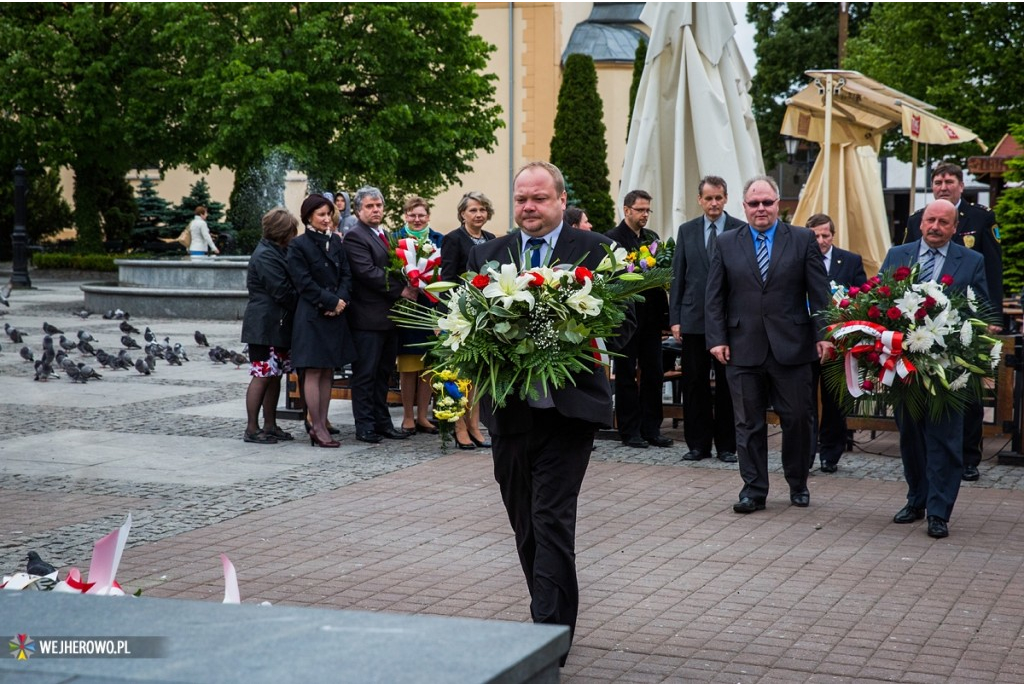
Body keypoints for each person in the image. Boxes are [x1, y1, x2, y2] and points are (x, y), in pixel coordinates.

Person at [467, 161, 635, 663]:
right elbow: (470, 331)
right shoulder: (487, 254)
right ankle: (553, 620)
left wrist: (577, 323)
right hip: (511, 414)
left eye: (538, 199)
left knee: (551, 520)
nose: (528, 208)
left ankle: (545, 638)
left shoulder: (596, 251)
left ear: (561, 201)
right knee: (526, 526)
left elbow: (624, 326)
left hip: (568, 415)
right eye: (521, 199)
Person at [705, 175, 832, 513]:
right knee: (747, 423)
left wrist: (824, 335)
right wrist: (716, 338)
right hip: (741, 347)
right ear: (744, 207)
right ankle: (753, 489)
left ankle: (798, 483)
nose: (761, 209)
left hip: (792, 347)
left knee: (797, 420)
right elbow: (714, 296)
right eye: (754, 203)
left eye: (767, 202)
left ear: (779, 204)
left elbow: (820, 294)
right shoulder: (727, 242)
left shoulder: (803, 239)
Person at [880, 199, 991, 538]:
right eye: (930, 220)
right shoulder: (897, 256)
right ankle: (917, 499)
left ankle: (939, 511)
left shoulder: (972, 261)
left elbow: (980, 311)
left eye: (944, 222)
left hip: (948, 370)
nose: (935, 227)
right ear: (920, 222)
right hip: (906, 366)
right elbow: (881, 304)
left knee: (944, 439)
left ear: (954, 227)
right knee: (911, 437)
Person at [904, 161, 1003, 482]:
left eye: (949, 181)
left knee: (967, 395)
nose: (943, 186)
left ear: (961, 185)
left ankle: (969, 457)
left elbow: (993, 270)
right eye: (937, 181)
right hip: (921, 329)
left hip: (964, 324)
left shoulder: (980, 217)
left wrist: (992, 318)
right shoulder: (917, 219)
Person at [669, 175, 744, 463]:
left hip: (729, 322)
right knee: (694, 383)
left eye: (719, 197)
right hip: (693, 319)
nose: (714, 203)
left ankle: (727, 445)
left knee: (728, 385)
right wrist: (675, 317)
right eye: (708, 198)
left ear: (726, 198)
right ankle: (698, 445)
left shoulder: (739, 229)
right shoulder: (686, 231)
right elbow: (678, 276)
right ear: (700, 200)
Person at [344, 186, 415, 444]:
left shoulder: (383, 234)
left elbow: (393, 266)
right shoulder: (355, 236)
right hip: (367, 319)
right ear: (359, 210)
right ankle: (364, 425)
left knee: (384, 373)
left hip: (388, 318)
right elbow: (367, 272)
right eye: (370, 206)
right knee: (365, 374)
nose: (376, 210)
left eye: (379, 206)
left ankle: (382, 422)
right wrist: (402, 289)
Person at [285, 194, 356, 448]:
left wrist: (341, 301)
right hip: (312, 316)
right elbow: (302, 282)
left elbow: (347, 275)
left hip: (335, 315)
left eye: (329, 214)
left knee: (328, 371)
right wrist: (329, 301)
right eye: (321, 215)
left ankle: (323, 422)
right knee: (313, 371)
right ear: (308, 218)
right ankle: (315, 426)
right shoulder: (299, 245)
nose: (327, 219)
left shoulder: (336, 242)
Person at [606, 190, 672, 449]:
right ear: (627, 210)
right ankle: (629, 430)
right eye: (640, 210)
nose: (645, 214)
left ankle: (651, 428)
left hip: (652, 318)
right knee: (625, 375)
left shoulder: (652, 238)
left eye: (648, 210)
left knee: (654, 373)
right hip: (626, 318)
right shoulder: (612, 239)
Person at [807, 213, 867, 473]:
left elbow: (863, 295)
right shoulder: (799, 258)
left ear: (833, 235)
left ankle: (831, 453)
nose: (821, 240)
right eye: (816, 235)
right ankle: (806, 453)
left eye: (825, 235)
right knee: (805, 401)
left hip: (838, 341)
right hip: (806, 340)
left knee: (835, 399)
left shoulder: (850, 260)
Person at [440, 191, 497, 449]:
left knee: (477, 372)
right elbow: (447, 277)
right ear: (462, 213)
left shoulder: (491, 239)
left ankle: (474, 423)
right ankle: (458, 425)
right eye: (473, 210)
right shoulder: (453, 239)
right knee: (457, 372)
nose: (478, 214)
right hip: (460, 312)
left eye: (483, 210)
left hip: (485, 314)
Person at [240, 208, 299, 445]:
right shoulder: (265, 255)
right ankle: (252, 428)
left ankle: (270, 424)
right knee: (262, 375)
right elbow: (281, 291)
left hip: (275, 325)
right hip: (264, 326)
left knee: (274, 376)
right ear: (282, 232)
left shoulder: (274, 251)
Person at [395, 195, 444, 436]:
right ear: (406, 215)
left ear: (428, 216)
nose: (417, 219)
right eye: (412, 215)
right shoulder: (395, 239)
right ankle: (407, 416)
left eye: (421, 215)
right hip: (407, 308)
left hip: (431, 309)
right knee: (408, 365)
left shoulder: (439, 240)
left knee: (428, 367)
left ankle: (423, 416)